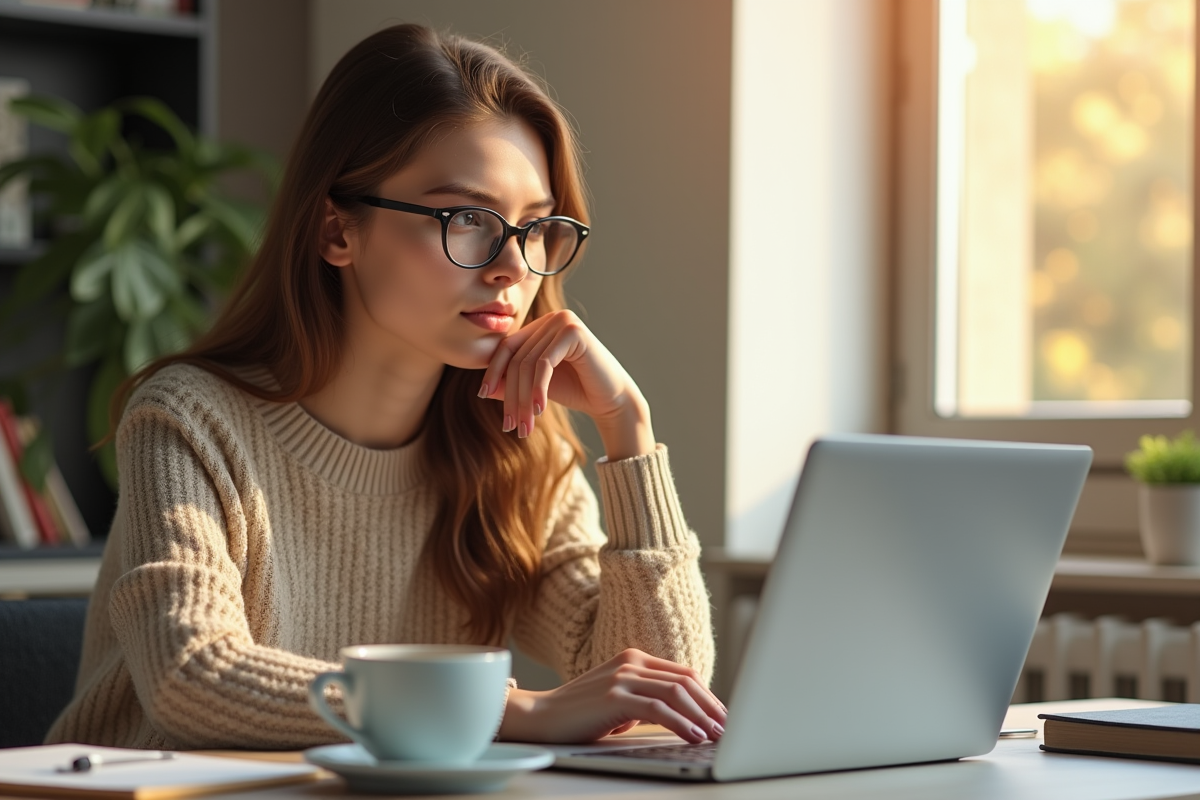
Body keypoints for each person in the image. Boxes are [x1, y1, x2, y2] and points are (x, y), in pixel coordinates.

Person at [46, 23, 721, 750]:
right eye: (467, 219)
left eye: (534, 227)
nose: (512, 268)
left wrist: (629, 430)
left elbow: (661, 695)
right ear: (337, 231)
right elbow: (193, 677)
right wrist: (508, 711)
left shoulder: (515, 446)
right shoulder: (190, 420)